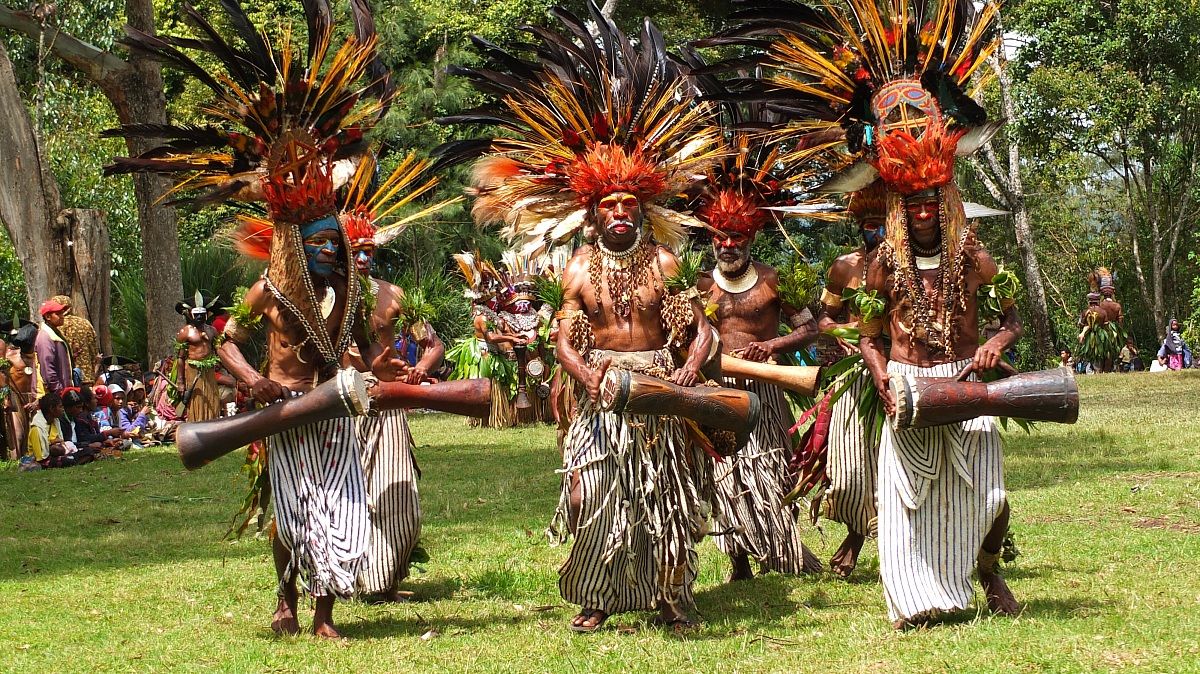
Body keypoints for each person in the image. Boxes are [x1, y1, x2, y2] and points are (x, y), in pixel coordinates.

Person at [705, 0, 1021, 628]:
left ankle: (987, 570)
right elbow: (860, 328)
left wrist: (996, 343)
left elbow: (1012, 315)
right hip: (900, 382)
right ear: (899, 206)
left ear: (944, 196)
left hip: (965, 379)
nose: (924, 210)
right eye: (914, 203)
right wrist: (873, 366)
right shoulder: (872, 269)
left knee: (990, 497)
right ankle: (910, 592)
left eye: (932, 199)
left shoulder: (974, 257)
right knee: (898, 492)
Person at [441, 9, 722, 632]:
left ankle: (673, 595)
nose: (620, 212)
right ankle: (596, 592)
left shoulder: (668, 260)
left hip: (658, 383)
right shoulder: (574, 269)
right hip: (598, 388)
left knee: (668, 496)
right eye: (610, 205)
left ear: (642, 209)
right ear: (593, 213)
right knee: (588, 492)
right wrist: (584, 375)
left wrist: (690, 369)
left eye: (630, 204)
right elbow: (563, 338)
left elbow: (700, 326)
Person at [693, 154, 824, 581]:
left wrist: (770, 345)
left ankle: (783, 549)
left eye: (737, 238)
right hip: (717, 389)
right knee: (725, 473)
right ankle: (739, 561)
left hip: (766, 389)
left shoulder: (772, 279)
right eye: (721, 238)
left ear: (751, 239)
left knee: (771, 467)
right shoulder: (697, 285)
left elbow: (809, 329)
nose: (728, 245)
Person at [814, 181, 888, 578]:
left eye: (880, 224)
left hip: (897, 371)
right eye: (866, 224)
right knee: (846, 471)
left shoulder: (905, 267)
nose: (872, 231)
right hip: (853, 374)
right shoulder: (844, 266)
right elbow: (824, 317)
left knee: (887, 462)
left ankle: (861, 542)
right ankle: (857, 528)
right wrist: (843, 337)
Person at [174, 294, 222, 422]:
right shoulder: (185, 332)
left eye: (202, 314)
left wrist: (218, 361)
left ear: (207, 314)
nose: (200, 317)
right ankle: (197, 422)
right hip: (193, 370)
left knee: (211, 395)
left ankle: (212, 421)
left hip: (209, 370)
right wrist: (180, 382)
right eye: (197, 314)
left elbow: (218, 350)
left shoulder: (212, 331)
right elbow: (180, 358)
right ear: (190, 314)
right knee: (196, 397)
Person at [51, 295, 101, 385]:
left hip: (65, 378)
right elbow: (94, 351)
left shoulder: (54, 326)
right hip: (86, 376)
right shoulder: (85, 324)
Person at [34, 299, 74, 395]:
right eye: (58, 314)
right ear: (48, 317)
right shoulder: (45, 337)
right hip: (56, 394)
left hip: (65, 389)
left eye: (62, 313)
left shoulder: (56, 334)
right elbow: (47, 368)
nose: (62, 316)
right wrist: (59, 391)